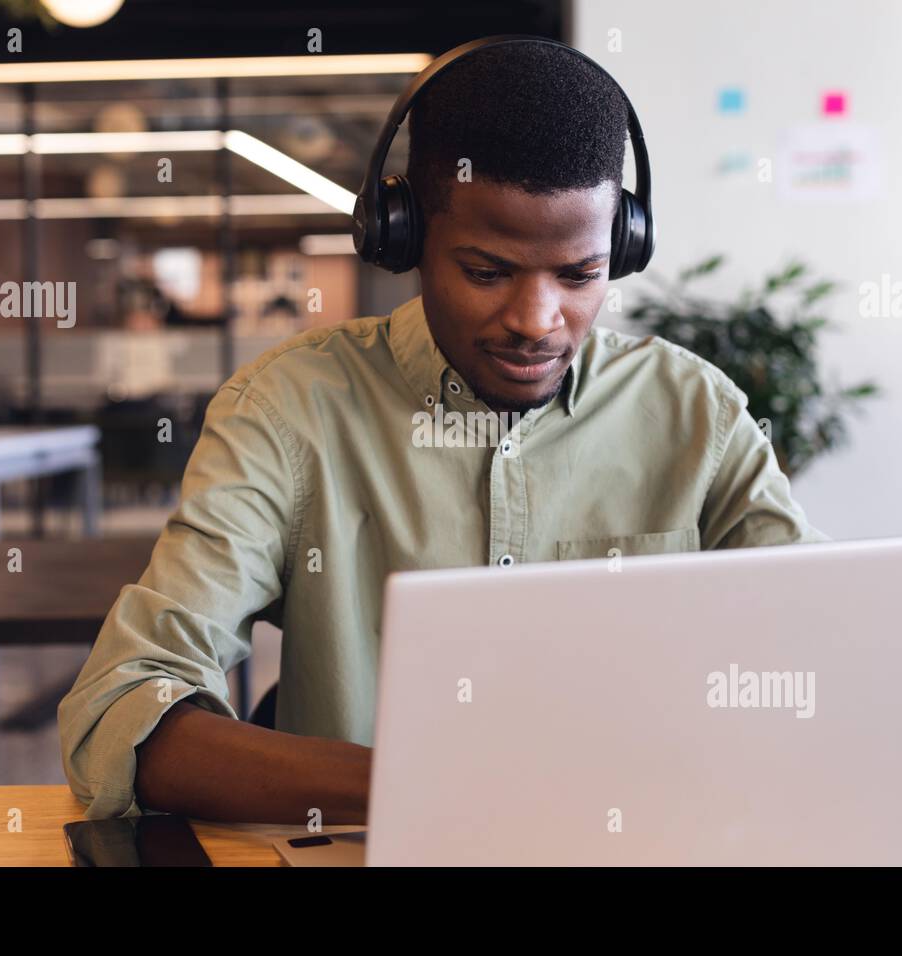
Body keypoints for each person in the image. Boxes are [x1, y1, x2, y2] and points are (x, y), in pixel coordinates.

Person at [58, 40, 827, 823]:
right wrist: (425, 783)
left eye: (578, 275)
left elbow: (827, 660)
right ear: (405, 237)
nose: (537, 322)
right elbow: (122, 708)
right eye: (488, 272)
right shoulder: (289, 411)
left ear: (621, 248)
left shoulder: (697, 415)